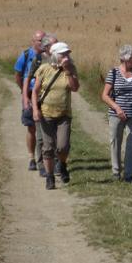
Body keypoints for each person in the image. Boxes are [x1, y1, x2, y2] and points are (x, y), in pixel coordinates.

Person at [32, 42, 79, 190]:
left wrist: (68, 71)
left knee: (63, 146)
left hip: (64, 114)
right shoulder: (44, 69)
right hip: (46, 115)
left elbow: (75, 88)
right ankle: (50, 177)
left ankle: (63, 165)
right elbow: (35, 92)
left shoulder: (70, 69)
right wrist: (35, 110)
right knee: (48, 147)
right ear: (55, 55)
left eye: (67, 54)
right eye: (63, 54)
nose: (66, 57)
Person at [101, 45, 132, 184]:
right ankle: (116, 171)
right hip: (116, 115)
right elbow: (104, 95)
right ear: (125, 58)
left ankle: (129, 174)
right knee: (115, 141)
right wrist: (117, 108)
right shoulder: (113, 73)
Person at [22, 33, 57, 176]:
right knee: (41, 135)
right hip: (40, 102)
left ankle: (53, 161)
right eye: (55, 44)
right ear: (47, 46)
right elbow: (27, 78)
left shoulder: (60, 58)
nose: (57, 46)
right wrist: (26, 98)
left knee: (54, 135)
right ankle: (41, 163)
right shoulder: (38, 59)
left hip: (55, 102)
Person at [14, 30, 45, 171]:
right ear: (33, 42)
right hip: (29, 94)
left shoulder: (48, 56)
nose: (42, 42)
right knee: (31, 127)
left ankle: (46, 157)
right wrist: (24, 92)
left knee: (46, 127)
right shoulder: (25, 55)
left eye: (44, 40)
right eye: (39, 40)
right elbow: (18, 75)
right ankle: (31, 157)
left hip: (44, 95)